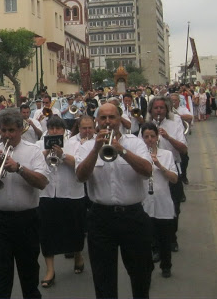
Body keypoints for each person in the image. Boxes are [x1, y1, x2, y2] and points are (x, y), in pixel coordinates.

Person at [75, 103, 153, 299]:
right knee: (103, 278)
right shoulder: (86, 146)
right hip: (101, 218)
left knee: (141, 274)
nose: (108, 122)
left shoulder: (135, 142)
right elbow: (81, 177)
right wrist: (95, 150)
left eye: (112, 117)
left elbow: (147, 171)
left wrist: (122, 151)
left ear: (120, 120)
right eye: (103, 118)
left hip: (133, 216)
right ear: (97, 121)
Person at [0, 109, 50, 299]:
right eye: (3, 131)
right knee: (0, 275)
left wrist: (18, 168)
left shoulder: (33, 151)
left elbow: (42, 182)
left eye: (11, 130)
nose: (7, 135)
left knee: (29, 274)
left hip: (28, 220)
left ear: (20, 130)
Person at [35, 116, 87, 288]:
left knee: (75, 229)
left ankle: (78, 255)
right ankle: (50, 270)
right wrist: (44, 154)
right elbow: (31, 165)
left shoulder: (75, 144)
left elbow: (81, 166)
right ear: (47, 129)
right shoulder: (38, 145)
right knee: (47, 233)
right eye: (51, 128)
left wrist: (62, 155)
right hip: (47, 194)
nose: (55, 131)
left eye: (58, 128)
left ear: (64, 130)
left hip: (71, 193)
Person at [145, 96, 187, 252]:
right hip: (153, 171)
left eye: (162, 108)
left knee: (174, 207)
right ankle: (156, 244)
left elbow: (183, 149)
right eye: (156, 108)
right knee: (153, 208)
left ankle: (171, 238)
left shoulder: (174, 124)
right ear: (151, 110)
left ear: (166, 110)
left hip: (171, 167)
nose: (159, 111)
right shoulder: (147, 127)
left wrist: (167, 137)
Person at [140, 122, 178, 279]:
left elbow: (174, 179)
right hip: (145, 203)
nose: (149, 139)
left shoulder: (166, 154)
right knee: (146, 240)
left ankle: (166, 266)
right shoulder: (139, 156)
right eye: (146, 137)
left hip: (163, 203)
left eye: (152, 136)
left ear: (157, 138)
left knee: (164, 238)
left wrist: (159, 165)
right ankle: (146, 267)